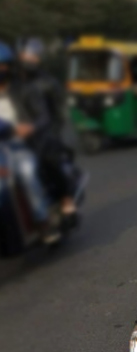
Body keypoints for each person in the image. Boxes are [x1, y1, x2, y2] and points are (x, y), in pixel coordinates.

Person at [19, 38, 79, 216]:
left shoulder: (48, 82)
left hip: (47, 132)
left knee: (49, 160)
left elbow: (60, 111)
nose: (29, 60)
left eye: (33, 56)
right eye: (26, 55)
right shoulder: (15, 83)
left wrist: (52, 132)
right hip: (17, 134)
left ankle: (66, 199)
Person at [0, 41, 52, 237]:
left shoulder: (24, 90)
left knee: (28, 173)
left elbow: (43, 117)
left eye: (2, 65)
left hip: (19, 146)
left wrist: (30, 127)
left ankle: (42, 219)